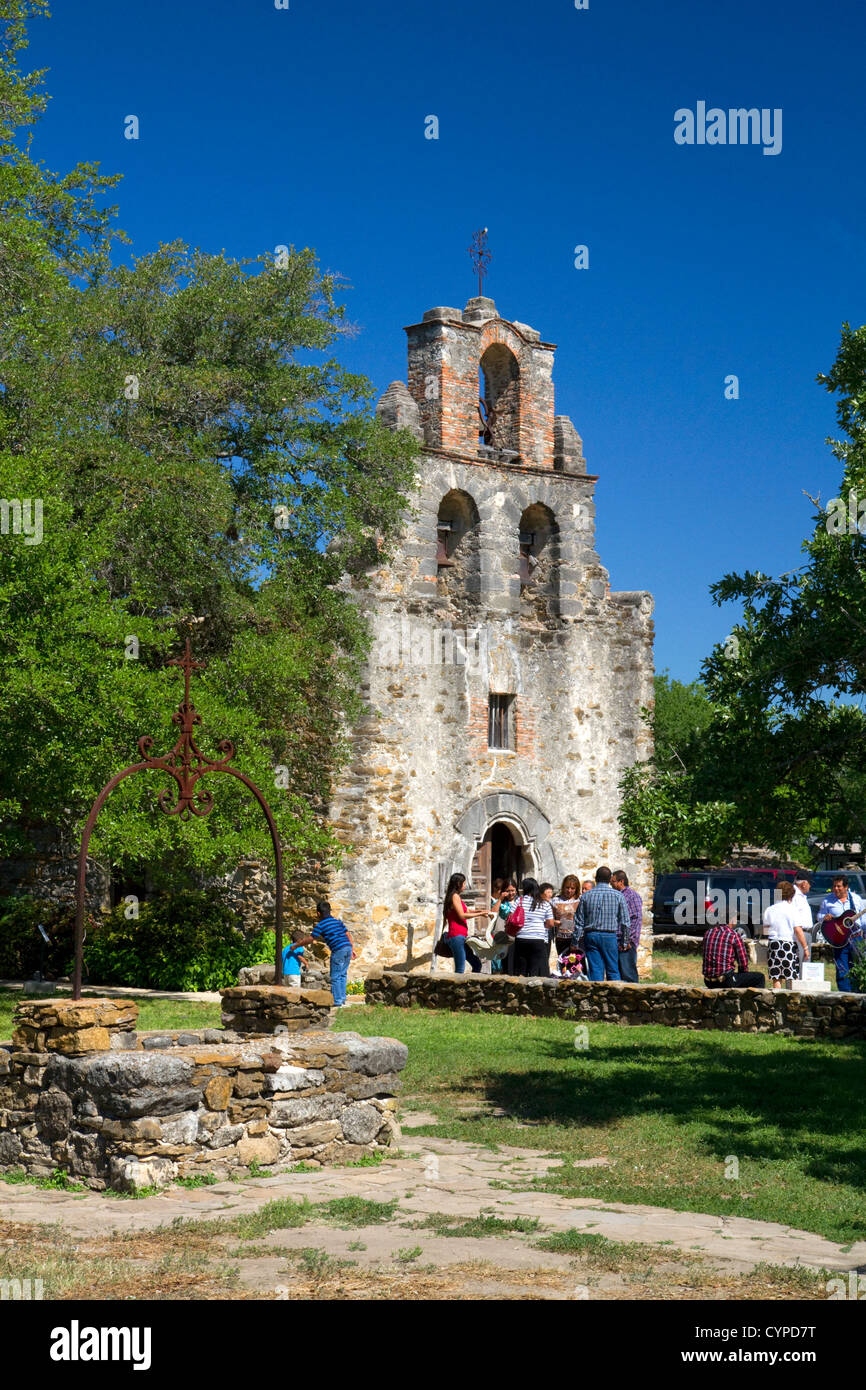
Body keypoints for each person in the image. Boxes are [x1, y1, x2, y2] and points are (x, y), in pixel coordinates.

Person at [573, 866, 630, 981]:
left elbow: (579, 922)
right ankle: (614, 996)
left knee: (595, 970)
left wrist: (575, 941)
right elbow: (625, 922)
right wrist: (625, 941)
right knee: (613, 969)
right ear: (610, 879)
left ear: (596, 878)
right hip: (609, 935)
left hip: (591, 935)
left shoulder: (586, 896)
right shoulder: (618, 895)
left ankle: (596, 996)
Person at [294, 900, 355, 1006]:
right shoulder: (337, 922)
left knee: (335, 976)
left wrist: (296, 945)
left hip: (338, 950)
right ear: (330, 911)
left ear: (318, 913)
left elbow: (311, 939)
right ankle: (342, 998)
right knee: (343, 974)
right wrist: (352, 949)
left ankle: (337, 1001)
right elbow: (348, 935)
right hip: (347, 947)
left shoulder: (321, 925)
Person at [816, 874, 866, 993]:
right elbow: (819, 916)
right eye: (834, 886)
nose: (836, 889)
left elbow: (863, 919)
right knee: (842, 967)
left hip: (856, 938)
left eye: (839, 886)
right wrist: (825, 917)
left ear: (846, 887)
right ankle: (845, 994)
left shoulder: (856, 899)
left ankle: (857, 992)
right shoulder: (827, 901)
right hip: (838, 939)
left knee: (857, 966)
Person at [440, 873, 492, 974]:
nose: (465, 886)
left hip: (461, 937)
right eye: (464, 883)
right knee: (460, 969)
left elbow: (467, 910)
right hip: (456, 936)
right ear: (459, 884)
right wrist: (480, 914)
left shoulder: (456, 897)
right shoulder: (454, 897)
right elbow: (462, 915)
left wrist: (482, 912)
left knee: (476, 964)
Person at [762, 881, 809, 990]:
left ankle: (777, 999)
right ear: (791, 894)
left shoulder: (769, 910)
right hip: (788, 944)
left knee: (776, 976)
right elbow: (798, 930)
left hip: (773, 943)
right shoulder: (792, 909)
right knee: (791, 974)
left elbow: (765, 930)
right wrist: (805, 948)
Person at [702, 917, 765, 989]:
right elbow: (743, 963)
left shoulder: (708, 933)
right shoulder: (733, 935)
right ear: (732, 919)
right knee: (760, 978)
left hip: (708, 982)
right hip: (725, 981)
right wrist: (743, 974)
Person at [511, 877, 554, 977]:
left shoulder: (519, 901)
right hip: (538, 939)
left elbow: (510, 916)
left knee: (521, 970)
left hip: (521, 938)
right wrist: (542, 926)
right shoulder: (544, 904)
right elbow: (551, 923)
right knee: (536, 970)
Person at [611, 870, 642, 983]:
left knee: (628, 974)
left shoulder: (632, 896)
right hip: (615, 940)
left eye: (613, 882)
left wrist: (628, 940)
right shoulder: (616, 895)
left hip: (626, 943)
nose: (611, 885)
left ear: (621, 881)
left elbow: (635, 920)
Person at [552, 875, 581, 967]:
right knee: (563, 964)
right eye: (567, 887)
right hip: (560, 938)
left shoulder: (579, 900)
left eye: (572, 888)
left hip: (575, 939)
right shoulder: (555, 900)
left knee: (574, 964)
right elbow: (550, 917)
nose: (569, 891)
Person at [791, 877, 813, 973]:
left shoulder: (802, 896)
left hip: (807, 933)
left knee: (806, 965)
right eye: (809, 883)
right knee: (799, 963)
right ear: (804, 883)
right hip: (799, 933)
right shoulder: (794, 895)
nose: (810, 886)